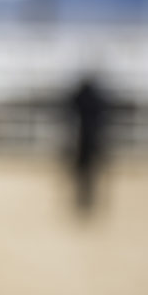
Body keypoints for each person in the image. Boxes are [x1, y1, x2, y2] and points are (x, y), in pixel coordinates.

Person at [64, 73, 109, 217]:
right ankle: (88, 198)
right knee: (91, 172)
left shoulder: (79, 96)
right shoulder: (97, 97)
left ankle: (82, 199)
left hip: (80, 138)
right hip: (93, 138)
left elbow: (68, 109)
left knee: (81, 171)